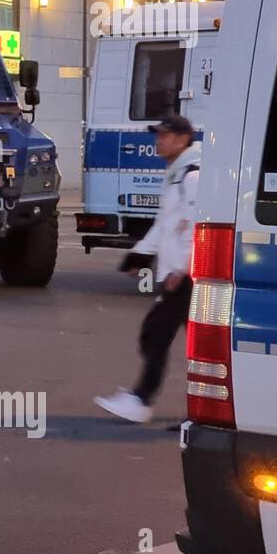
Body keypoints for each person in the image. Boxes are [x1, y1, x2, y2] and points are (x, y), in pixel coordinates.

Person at [95, 113, 200, 424]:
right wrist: (139, 256)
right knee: (179, 341)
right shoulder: (178, 176)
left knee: (156, 334)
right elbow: (164, 226)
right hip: (179, 274)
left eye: (165, 136)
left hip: (188, 277)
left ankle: (141, 400)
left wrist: (182, 270)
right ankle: (197, 412)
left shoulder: (192, 177)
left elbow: (199, 228)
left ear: (182, 139)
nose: (159, 141)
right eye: (158, 136)